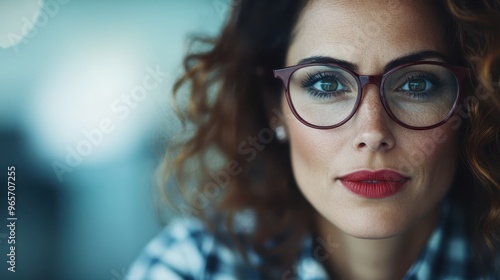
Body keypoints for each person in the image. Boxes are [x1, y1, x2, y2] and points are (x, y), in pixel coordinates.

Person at [128, 0, 500, 279]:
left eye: (416, 84)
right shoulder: (193, 267)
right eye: (326, 84)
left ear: (474, 101)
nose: (373, 132)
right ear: (275, 107)